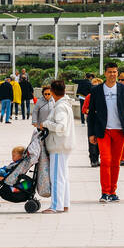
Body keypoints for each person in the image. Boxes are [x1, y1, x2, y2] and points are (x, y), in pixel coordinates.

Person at [86, 61, 124, 202]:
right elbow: (91, 114)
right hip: (104, 131)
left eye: (115, 72)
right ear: (105, 73)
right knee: (106, 161)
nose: (112, 74)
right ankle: (105, 192)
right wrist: (91, 134)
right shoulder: (97, 90)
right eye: (110, 72)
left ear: (117, 73)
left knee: (115, 162)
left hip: (120, 131)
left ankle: (113, 192)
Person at [44, 81, 74, 213]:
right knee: (63, 176)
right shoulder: (65, 104)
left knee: (56, 177)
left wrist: (46, 124)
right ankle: (64, 204)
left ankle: (56, 206)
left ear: (52, 92)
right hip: (64, 145)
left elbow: (61, 127)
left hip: (58, 145)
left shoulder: (60, 107)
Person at [83, 76, 102, 168]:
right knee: (92, 140)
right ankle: (93, 159)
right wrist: (92, 111)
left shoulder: (104, 97)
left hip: (102, 121)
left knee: (100, 140)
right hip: (92, 120)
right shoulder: (89, 96)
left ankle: (98, 158)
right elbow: (84, 109)